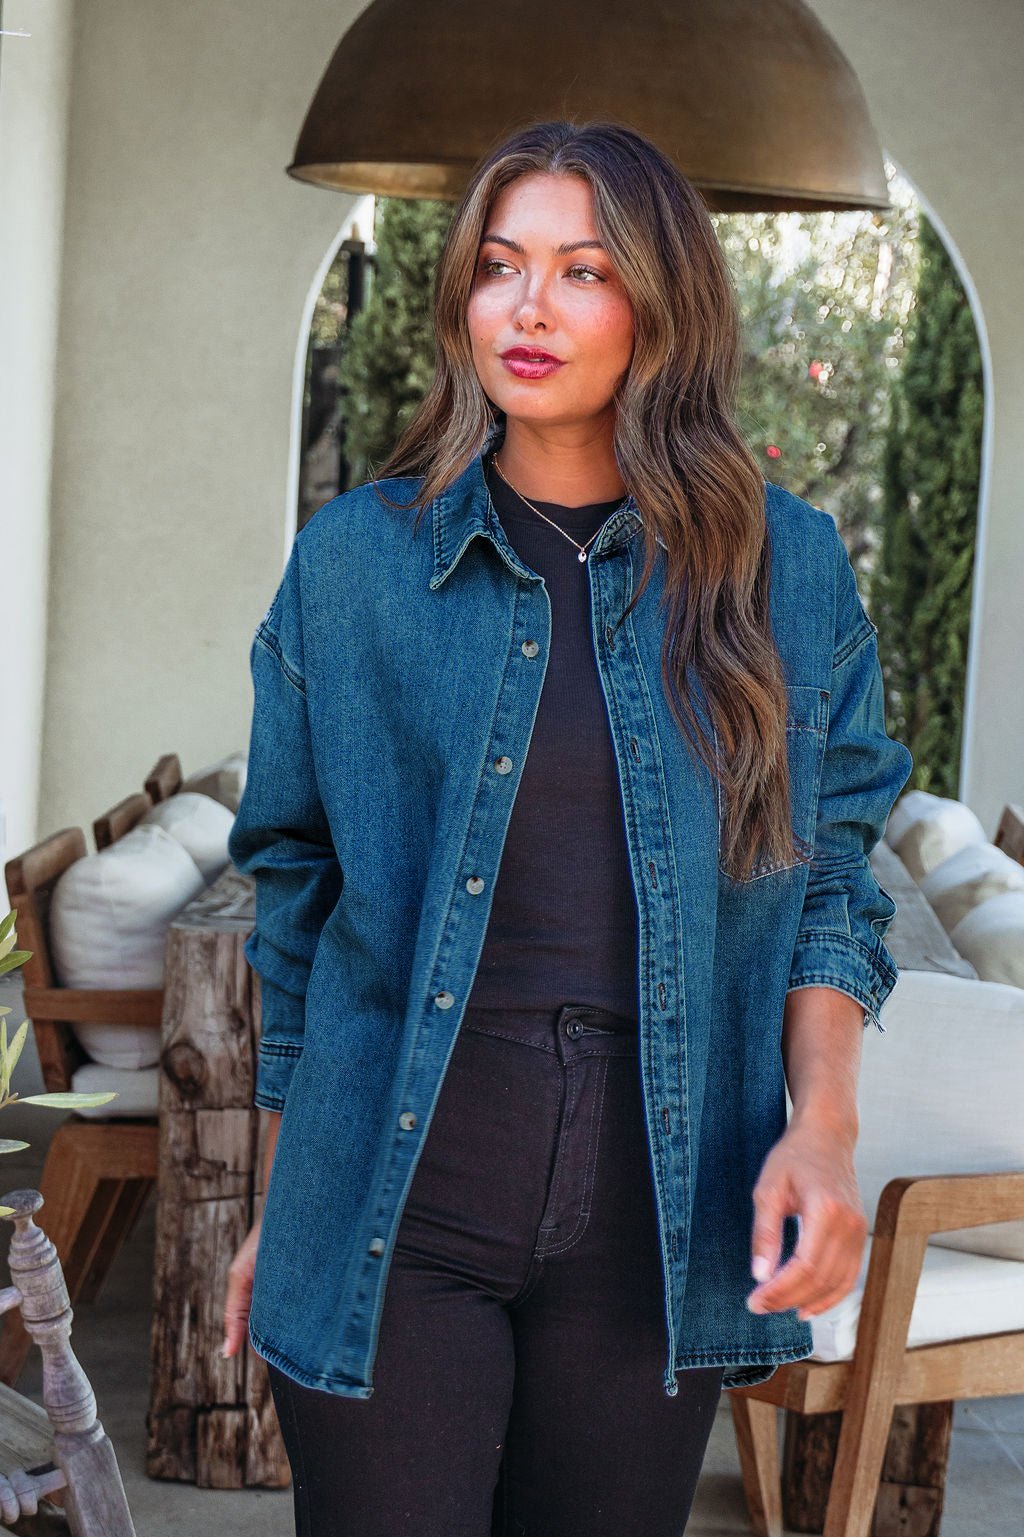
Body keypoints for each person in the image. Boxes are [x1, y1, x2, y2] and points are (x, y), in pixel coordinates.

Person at [220, 119, 914, 1536]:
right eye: (499, 265)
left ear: (662, 308)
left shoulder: (788, 570)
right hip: (400, 1195)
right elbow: (297, 902)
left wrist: (826, 1129)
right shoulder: (353, 565)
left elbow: (834, 871)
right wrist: (296, 1216)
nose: (528, 307)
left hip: (656, 1208)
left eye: (583, 270)